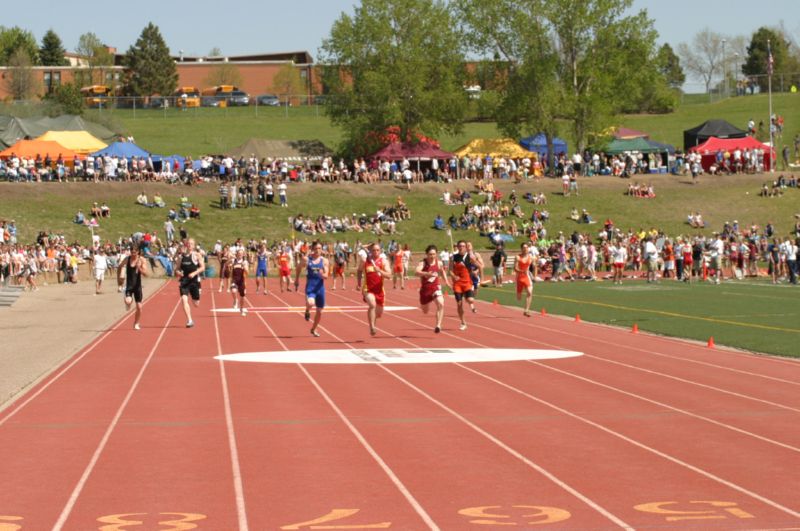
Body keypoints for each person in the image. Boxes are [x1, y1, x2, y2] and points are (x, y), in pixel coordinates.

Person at [297, 241, 329, 337]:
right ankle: (307, 310)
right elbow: (298, 267)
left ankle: (313, 329)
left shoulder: (324, 261)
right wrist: (297, 279)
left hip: (320, 289)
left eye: (319, 248)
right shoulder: (307, 260)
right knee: (311, 303)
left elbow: (326, 276)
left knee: (320, 312)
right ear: (312, 249)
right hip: (310, 288)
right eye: (316, 249)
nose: (317, 251)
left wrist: (322, 274)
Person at [415, 244, 450, 333]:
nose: (432, 256)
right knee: (425, 311)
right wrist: (426, 274)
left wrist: (446, 282)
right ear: (426, 254)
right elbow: (417, 272)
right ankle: (427, 303)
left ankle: (438, 325)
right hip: (425, 290)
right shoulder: (423, 263)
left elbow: (442, 272)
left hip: (435, 287)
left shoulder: (439, 263)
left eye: (434, 254)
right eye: (430, 254)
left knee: (441, 303)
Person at [362, 242, 391, 336]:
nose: (375, 252)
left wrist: (380, 271)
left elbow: (389, 275)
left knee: (378, 314)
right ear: (371, 251)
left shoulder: (383, 261)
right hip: (368, 289)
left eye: (377, 250)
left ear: (380, 251)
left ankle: (373, 321)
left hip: (379, 290)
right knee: (372, 305)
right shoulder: (366, 260)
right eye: (373, 250)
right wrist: (358, 282)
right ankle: (372, 327)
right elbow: (358, 270)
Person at [174, 238, 205, 327]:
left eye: (191, 244)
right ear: (186, 245)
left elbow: (203, 267)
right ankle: (190, 320)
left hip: (194, 282)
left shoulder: (197, 255)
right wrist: (178, 273)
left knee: (196, 304)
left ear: (194, 245)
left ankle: (196, 293)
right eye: (188, 243)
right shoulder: (181, 257)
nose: (189, 245)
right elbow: (176, 269)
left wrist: (194, 273)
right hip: (184, 282)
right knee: (184, 299)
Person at [118, 246, 148, 330]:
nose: (133, 254)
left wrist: (139, 267)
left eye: (135, 252)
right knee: (128, 301)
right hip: (129, 286)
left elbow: (146, 274)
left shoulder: (142, 260)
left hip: (138, 286)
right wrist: (119, 280)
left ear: (138, 252)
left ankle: (136, 323)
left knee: (139, 307)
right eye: (132, 252)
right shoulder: (127, 259)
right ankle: (128, 302)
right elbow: (120, 266)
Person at [450, 240, 476, 330]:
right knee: (459, 304)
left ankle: (468, 299)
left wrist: (477, 274)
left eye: (463, 246)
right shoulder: (453, 257)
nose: (461, 247)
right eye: (460, 246)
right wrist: (454, 276)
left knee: (470, 299)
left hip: (467, 282)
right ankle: (463, 322)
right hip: (457, 284)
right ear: (457, 247)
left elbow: (479, 266)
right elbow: (450, 270)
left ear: (466, 247)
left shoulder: (470, 257)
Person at [515, 242, 534, 316]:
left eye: (527, 247)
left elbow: (535, 265)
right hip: (519, 277)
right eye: (524, 247)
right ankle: (519, 293)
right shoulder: (518, 257)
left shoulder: (531, 257)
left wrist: (535, 276)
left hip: (527, 277)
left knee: (529, 292)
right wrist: (522, 271)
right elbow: (515, 268)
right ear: (521, 249)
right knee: (519, 298)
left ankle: (526, 310)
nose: (525, 249)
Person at [229, 248, 248, 315]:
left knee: (242, 296)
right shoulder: (233, 261)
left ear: (243, 255)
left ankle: (241, 310)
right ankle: (235, 300)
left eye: (241, 254)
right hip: (234, 279)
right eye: (239, 253)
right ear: (236, 254)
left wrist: (244, 267)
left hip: (241, 280)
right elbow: (228, 265)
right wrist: (229, 264)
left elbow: (247, 272)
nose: (240, 255)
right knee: (233, 291)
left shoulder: (245, 262)